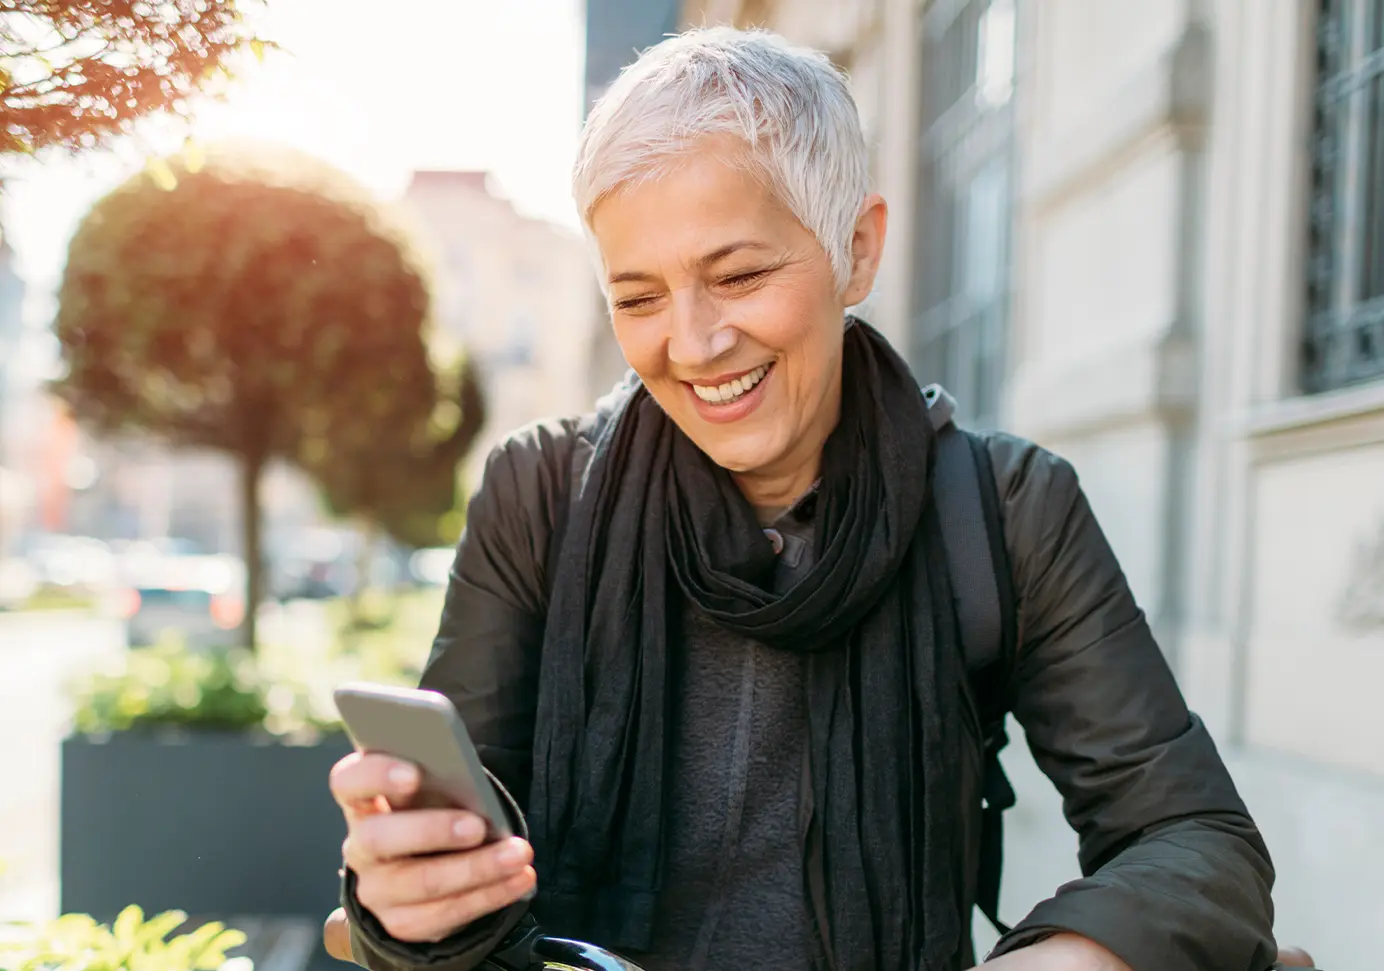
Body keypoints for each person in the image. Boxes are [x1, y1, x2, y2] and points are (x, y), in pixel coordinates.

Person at [328, 26, 1283, 971]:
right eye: (640, 296)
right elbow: (453, 857)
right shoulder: (539, 493)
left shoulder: (1006, 507)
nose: (694, 345)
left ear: (857, 250)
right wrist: (410, 900)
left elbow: (1196, 838)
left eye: (738, 275)